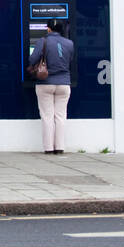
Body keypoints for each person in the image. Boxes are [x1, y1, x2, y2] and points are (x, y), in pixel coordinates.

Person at [28, 19, 75, 154]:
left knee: (47, 116)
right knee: (60, 116)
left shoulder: (43, 41)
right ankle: (60, 147)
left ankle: (48, 148)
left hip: (45, 83)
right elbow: (70, 60)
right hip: (64, 83)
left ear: (48, 29)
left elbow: (32, 59)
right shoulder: (69, 43)